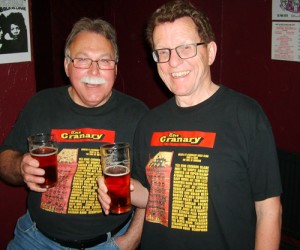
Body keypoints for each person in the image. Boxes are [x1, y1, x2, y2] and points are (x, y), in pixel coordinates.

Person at [97, 1, 283, 249]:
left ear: (211, 52)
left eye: (185, 48)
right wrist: (122, 189)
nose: (173, 62)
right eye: (163, 51)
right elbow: (151, 196)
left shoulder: (246, 116)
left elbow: (269, 211)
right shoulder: (149, 122)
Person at [0, 17, 148, 249]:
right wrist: (20, 166)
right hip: (34, 239)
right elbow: (4, 159)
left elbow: (153, 189)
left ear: (116, 68)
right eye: (82, 60)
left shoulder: (138, 115)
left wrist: (131, 239)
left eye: (104, 61)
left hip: (108, 243)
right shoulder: (40, 104)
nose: (94, 70)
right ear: (67, 64)